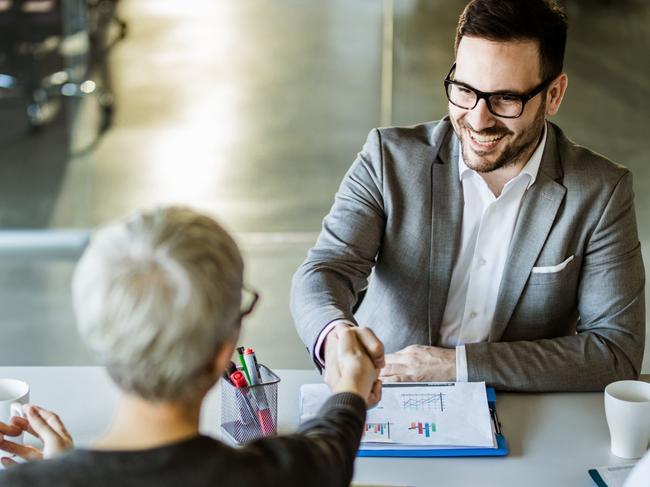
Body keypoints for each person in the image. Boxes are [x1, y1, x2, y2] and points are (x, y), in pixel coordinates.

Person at [291, 0, 645, 392]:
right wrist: (336, 334)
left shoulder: (601, 192)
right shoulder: (388, 159)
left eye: (506, 98)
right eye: (464, 89)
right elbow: (326, 270)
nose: (478, 119)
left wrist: (458, 366)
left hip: (517, 408)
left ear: (554, 95)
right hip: (388, 395)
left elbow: (616, 352)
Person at [0, 206, 384, 487]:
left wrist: (61, 472)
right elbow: (330, 447)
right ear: (222, 353)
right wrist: (350, 388)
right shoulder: (281, 474)